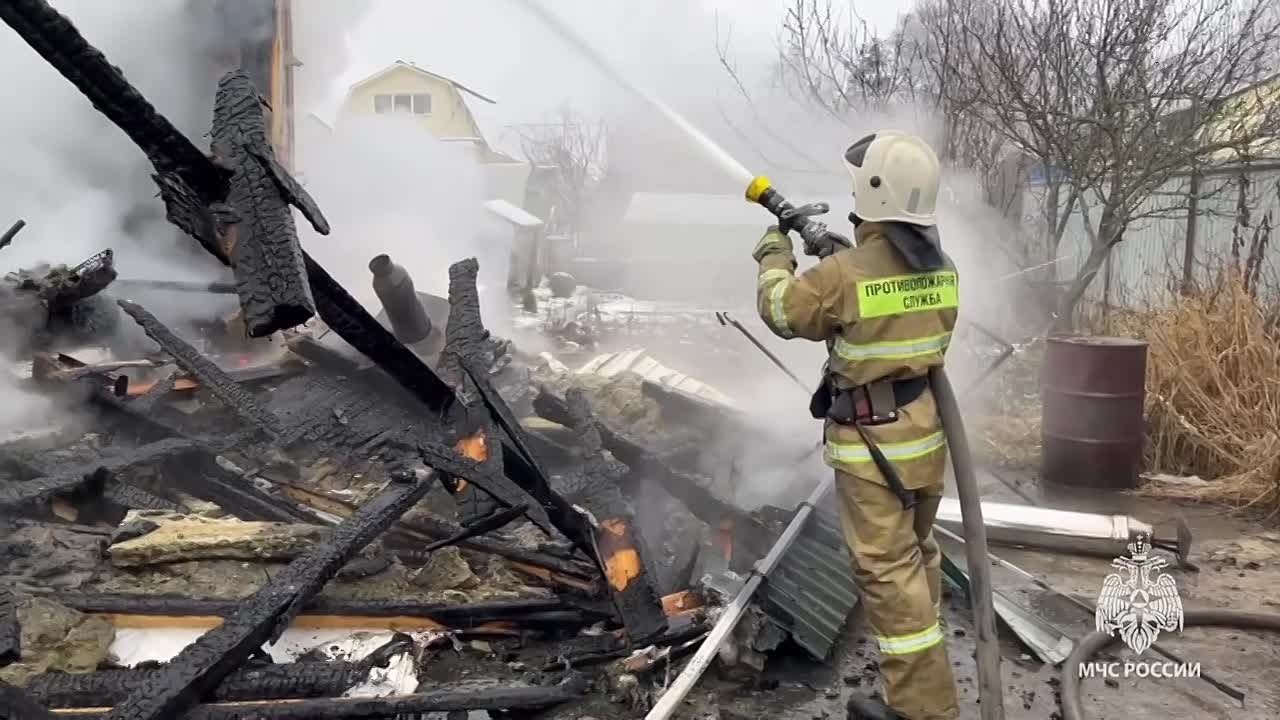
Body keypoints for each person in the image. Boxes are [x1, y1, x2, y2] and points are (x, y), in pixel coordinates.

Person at [751, 130, 960, 720]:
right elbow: (888, 299)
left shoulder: (844, 276)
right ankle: (926, 671)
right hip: (923, 441)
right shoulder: (943, 269)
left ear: (874, 190)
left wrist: (774, 251)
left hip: (873, 451)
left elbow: (782, 311)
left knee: (887, 575)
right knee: (918, 556)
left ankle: (923, 710)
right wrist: (848, 255)